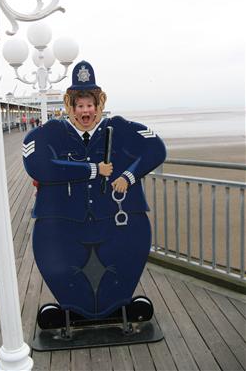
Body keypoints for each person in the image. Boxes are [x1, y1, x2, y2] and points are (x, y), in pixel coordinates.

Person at [23, 60, 166, 324]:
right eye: (80, 106)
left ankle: (118, 305)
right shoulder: (51, 134)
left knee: (126, 258)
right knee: (58, 262)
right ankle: (73, 308)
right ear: (71, 107)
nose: (85, 111)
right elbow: (37, 165)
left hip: (115, 218)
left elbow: (156, 148)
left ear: (98, 105)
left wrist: (128, 176)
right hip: (65, 221)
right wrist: (91, 170)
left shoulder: (120, 128)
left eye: (90, 105)